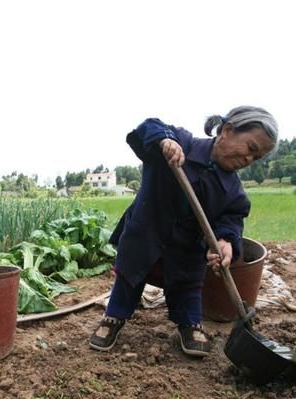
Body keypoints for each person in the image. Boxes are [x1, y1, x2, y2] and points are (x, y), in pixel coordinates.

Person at [89, 105, 279, 357]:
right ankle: (113, 317)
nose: (248, 159)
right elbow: (149, 125)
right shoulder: (182, 143)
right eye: (251, 148)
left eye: (256, 158)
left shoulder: (234, 191)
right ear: (227, 130)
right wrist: (165, 141)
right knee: (128, 278)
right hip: (146, 234)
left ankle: (189, 324)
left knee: (188, 287)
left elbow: (232, 219)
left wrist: (225, 242)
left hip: (185, 248)